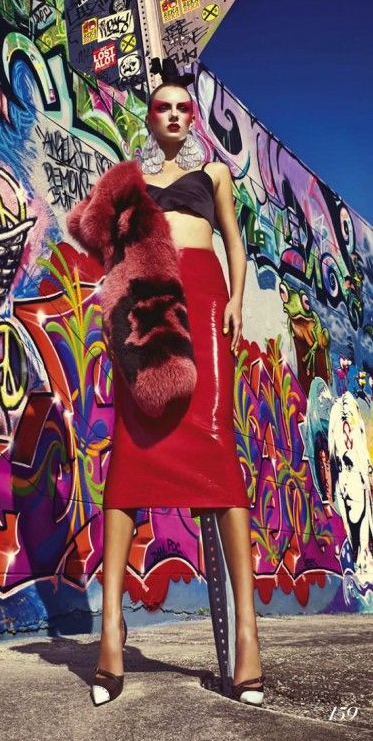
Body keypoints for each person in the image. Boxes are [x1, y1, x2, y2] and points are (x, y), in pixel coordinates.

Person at [88, 60, 265, 707]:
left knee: (218, 455)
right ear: (149, 115)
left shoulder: (213, 174)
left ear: (191, 119)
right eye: (162, 107)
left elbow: (235, 243)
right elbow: (110, 250)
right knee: (130, 457)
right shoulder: (130, 183)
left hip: (207, 301)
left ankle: (247, 637)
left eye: (182, 109)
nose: (172, 115)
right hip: (149, 314)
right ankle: (111, 632)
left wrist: (238, 300)